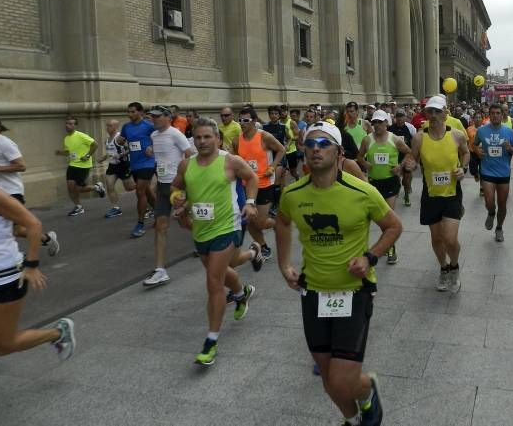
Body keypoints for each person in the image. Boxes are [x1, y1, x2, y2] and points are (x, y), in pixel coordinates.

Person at [275, 121, 402, 426]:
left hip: (354, 291)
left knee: (342, 378)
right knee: (329, 379)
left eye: (323, 144)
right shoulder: (293, 194)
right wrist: (283, 264)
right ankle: (354, 417)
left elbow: (394, 226)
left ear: (339, 152)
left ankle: (367, 391)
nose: (315, 149)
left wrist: (370, 257)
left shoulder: (362, 191)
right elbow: (281, 222)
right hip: (313, 293)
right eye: (310, 144)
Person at [0, 145, 76, 421]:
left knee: (4, 345)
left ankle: (57, 333)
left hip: (4, 280)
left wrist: (32, 265)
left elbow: (32, 224)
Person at [170, 117, 259, 366]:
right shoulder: (186, 165)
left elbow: (251, 179)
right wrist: (177, 199)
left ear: (218, 138)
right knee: (218, 272)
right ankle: (242, 293)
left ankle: (211, 341)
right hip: (201, 231)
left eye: (207, 136)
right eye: (197, 137)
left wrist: (250, 204)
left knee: (213, 282)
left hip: (227, 227)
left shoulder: (229, 161)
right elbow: (176, 189)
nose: (202, 141)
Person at [407, 95, 470, 293]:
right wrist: (409, 164)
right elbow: (412, 158)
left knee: (450, 239)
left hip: (452, 194)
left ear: (445, 113)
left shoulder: (457, 135)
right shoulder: (419, 137)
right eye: (429, 111)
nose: (433, 115)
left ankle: (455, 266)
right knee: (436, 240)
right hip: (430, 194)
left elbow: (466, 153)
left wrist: (463, 168)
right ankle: (443, 268)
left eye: (437, 111)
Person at [0, 116, 59, 256]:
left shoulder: (4, 143)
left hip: (11, 192)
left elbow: (21, 166)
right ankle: (45, 240)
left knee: (14, 229)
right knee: (9, 228)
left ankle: (23, 256)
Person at [142, 106, 193, 287]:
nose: (153, 120)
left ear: (167, 117)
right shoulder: (154, 136)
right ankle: (160, 270)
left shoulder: (176, 134)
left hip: (176, 186)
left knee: (184, 222)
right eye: (152, 117)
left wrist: (185, 180)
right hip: (162, 186)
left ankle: (206, 238)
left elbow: (190, 155)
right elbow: (161, 159)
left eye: (156, 117)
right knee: (160, 226)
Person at [358, 110, 411, 265]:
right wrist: (364, 163)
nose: (377, 125)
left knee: (388, 217)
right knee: (372, 219)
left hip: (391, 182)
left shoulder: (394, 139)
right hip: (374, 183)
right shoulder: (367, 140)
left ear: (386, 123)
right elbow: (359, 156)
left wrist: (400, 167)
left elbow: (409, 153)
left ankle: (390, 247)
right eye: (374, 122)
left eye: (380, 122)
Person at [232, 107, 286, 261]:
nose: (242, 123)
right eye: (240, 120)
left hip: (264, 183)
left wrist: (272, 167)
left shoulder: (264, 137)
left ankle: (277, 223)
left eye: (246, 120)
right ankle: (263, 246)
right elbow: (233, 159)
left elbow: (281, 150)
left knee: (261, 222)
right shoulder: (237, 140)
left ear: (255, 121)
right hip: (246, 186)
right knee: (249, 220)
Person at [475, 104, 513, 242]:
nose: (495, 115)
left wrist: (510, 148)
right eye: (492, 113)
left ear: (502, 115)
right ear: (489, 115)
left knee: (502, 204)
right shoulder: (481, 131)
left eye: (498, 113)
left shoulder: (509, 132)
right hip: (487, 171)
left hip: (504, 172)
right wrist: (477, 151)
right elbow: (474, 144)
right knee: (489, 201)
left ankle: (499, 228)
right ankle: (491, 212)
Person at [117, 102, 156, 237]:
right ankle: (160, 213)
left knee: (139, 191)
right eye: (129, 112)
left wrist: (153, 147)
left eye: (133, 111)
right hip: (134, 164)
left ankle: (140, 224)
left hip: (148, 163)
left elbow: (160, 138)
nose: (130, 114)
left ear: (140, 112)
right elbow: (122, 140)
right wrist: (120, 141)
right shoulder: (126, 127)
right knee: (146, 191)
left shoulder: (149, 126)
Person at [56, 116, 105, 217]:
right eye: (67, 123)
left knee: (78, 188)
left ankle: (97, 187)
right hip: (72, 165)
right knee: (70, 187)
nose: (68, 125)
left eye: (70, 123)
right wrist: (61, 152)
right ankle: (78, 207)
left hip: (83, 165)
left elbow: (95, 144)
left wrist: (87, 155)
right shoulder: (66, 138)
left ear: (75, 125)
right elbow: (69, 151)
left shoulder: (81, 135)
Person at [98, 118, 135, 219]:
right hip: (112, 166)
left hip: (123, 165)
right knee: (109, 185)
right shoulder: (107, 139)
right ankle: (116, 208)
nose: (107, 128)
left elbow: (131, 148)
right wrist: (103, 158)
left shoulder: (120, 138)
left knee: (129, 188)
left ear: (115, 127)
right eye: (107, 125)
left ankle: (144, 188)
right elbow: (110, 152)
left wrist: (121, 155)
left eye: (110, 126)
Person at [387, 109, 416, 207]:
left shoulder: (410, 128)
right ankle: (397, 188)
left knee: (406, 179)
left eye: (401, 116)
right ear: (395, 118)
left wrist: (414, 156)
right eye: (398, 116)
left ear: (405, 117)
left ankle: (407, 194)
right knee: (396, 178)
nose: (399, 119)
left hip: (407, 156)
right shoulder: (390, 128)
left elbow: (414, 142)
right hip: (394, 158)